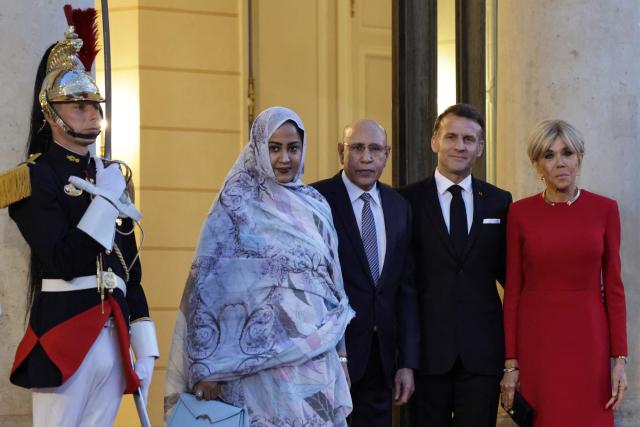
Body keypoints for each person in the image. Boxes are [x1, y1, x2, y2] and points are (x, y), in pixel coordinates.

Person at [3, 6, 158, 427]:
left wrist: (146, 346)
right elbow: (65, 261)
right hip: (63, 337)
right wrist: (106, 201)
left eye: (95, 103)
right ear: (51, 111)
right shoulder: (34, 178)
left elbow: (130, 269)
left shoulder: (109, 175)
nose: (92, 113)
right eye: (78, 105)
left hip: (114, 336)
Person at [164, 106, 355, 426]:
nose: (284, 158)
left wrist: (342, 357)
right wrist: (205, 368)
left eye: (293, 148)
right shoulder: (234, 204)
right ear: (257, 147)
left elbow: (333, 289)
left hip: (312, 363)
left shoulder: (316, 205)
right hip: (249, 371)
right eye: (274, 147)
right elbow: (206, 291)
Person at [500, 120, 628, 426]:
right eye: (549, 155)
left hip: (590, 340)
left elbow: (613, 288)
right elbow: (513, 290)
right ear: (537, 164)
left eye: (567, 153)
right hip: (538, 342)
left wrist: (619, 359)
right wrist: (510, 363)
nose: (560, 163)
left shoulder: (605, 209)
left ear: (579, 158)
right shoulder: (519, 213)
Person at [399, 103, 512, 426]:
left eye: (468, 139)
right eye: (451, 137)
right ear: (435, 141)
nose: (459, 146)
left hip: (482, 354)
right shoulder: (405, 201)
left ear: (480, 148)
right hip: (425, 354)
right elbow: (400, 282)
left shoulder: (499, 201)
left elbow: (512, 277)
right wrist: (403, 357)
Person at [312, 119, 420, 426]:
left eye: (375, 149)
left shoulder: (399, 206)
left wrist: (407, 362)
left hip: (381, 358)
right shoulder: (316, 200)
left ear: (386, 154)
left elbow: (406, 289)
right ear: (340, 152)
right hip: (328, 356)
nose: (366, 157)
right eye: (356, 148)